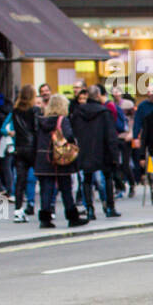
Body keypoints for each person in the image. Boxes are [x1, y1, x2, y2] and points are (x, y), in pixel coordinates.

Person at [35, 92, 85, 228]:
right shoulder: (62, 120)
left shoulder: (41, 120)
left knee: (46, 189)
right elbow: (68, 136)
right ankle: (72, 217)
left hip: (43, 159)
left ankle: (45, 219)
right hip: (59, 158)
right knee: (66, 189)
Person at [72, 85, 120, 218]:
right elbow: (111, 135)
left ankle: (90, 209)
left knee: (86, 180)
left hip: (85, 150)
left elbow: (73, 131)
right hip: (103, 150)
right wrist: (114, 155)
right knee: (108, 178)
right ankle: (110, 208)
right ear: (98, 96)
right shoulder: (104, 112)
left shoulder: (78, 112)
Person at [10, 86, 39, 222]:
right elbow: (37, 129)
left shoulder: (15, 111)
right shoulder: (34, 110)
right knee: (44, 178)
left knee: (20, 181)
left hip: (20, 148)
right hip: (32, 148)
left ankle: (18, 210)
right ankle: (47, 208)